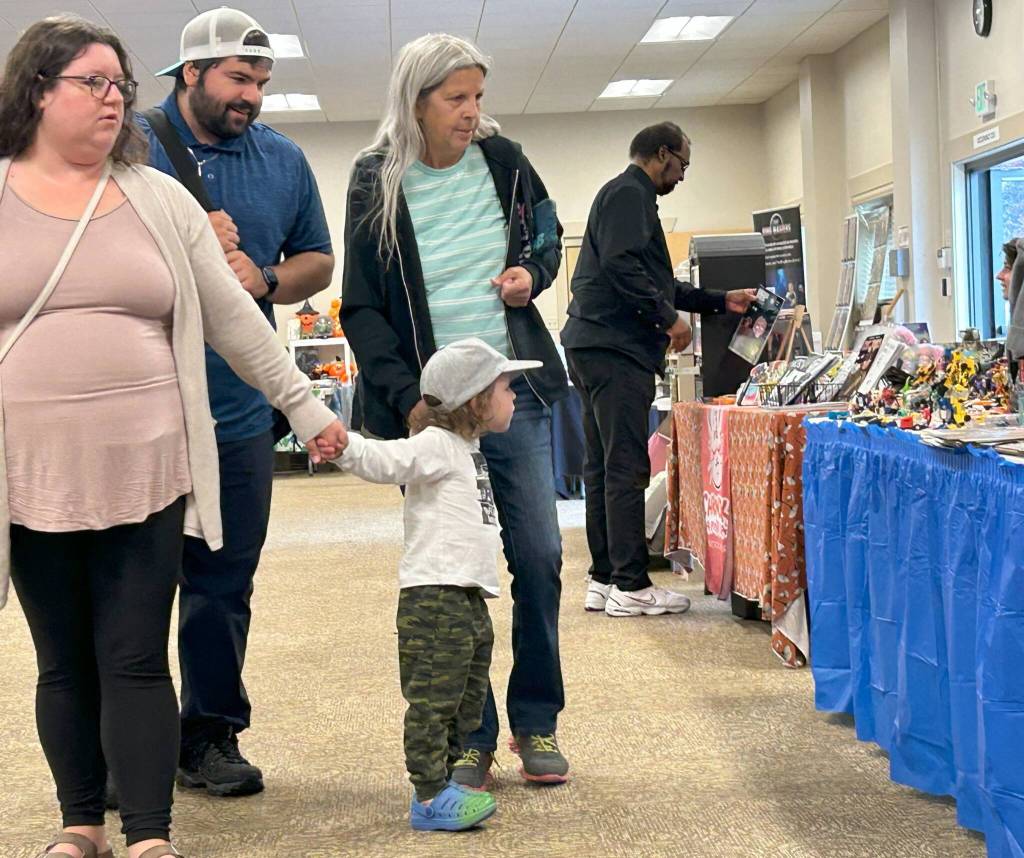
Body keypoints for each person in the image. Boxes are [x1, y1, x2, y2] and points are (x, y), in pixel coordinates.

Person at [0, 15, 346, 858]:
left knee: (135, 654)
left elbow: (238, 321)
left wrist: (307, 410)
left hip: (148, 465)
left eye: (119, 83)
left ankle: (150, 835)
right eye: (93, 82)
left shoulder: (158, 199)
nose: (114, 99)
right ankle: (81, 825)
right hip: (30, 472)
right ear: (38, 91)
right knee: (62, 661)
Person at [342, 33, 570, 790]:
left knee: (537, 557)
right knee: (453, 580)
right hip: (439, 415)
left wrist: (529, 275)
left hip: (514, 398)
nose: (473, 113)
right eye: (456, 99)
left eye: (478, 96)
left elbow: (547, 233)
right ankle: (470, 736)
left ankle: (535, 719)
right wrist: (408, 398)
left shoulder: (505, 162)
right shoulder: (375, 179)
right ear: (416, 103)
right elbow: (365, 306)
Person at [136, 7, 335, 798]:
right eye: (238, 79)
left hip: (241, 410)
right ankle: (128, 743)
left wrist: (265, 280)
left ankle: (209, 737)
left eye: (261, 82)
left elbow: (317, 261)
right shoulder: (133, 147)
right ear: (190, 73)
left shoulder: (282, 161)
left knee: (224, 585)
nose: (252, 95)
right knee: (133, 585)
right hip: (144, 404)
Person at [333, 338, 538, 830]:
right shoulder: (437, 446)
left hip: (467, 596)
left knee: (464, 699)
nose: (515, 397)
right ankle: (427, 796)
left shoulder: (469, 450)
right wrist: (343, 444)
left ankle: (446, 781)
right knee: (432, 700)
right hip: (435, 596)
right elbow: (387, 462)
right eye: (506, 388)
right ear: (475, 400)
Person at [561, 121, 755, 618]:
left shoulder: (624, 197)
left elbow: (658, 281)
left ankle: (604, 577)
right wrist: (669, 321)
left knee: (603, 466)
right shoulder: (630, 195)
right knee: (626, 467)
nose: (683, 176)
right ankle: (631, 583)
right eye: (683, 164)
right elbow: (625, 270)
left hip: (592, 346)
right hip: (614, 349)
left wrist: (717, 301)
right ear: (663, 154)